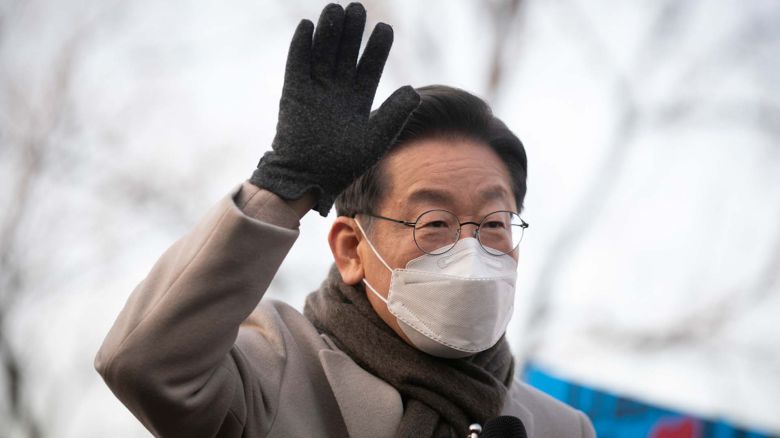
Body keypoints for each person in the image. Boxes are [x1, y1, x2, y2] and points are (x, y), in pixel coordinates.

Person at [95, 3, 595, 437]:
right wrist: (283, 186)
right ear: (352, 249)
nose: (471, 251)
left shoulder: (560, 428)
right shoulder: (273, 372)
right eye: (434, 223)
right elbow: (143, 364)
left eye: (494, 224)